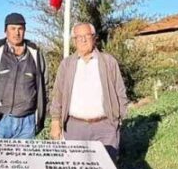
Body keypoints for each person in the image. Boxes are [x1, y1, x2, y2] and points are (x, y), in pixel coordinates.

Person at [50, 22, 128, 158]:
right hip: (74, 128)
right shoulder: (66, 65)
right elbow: (58, 95)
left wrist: (119, 119)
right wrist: (55, 122)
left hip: (105, 127)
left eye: (87, 35)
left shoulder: (108, 62)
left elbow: (120, 92)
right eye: (79, 37)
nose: (83, 40)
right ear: (74, 41)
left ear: (94, 37)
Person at [0, 12, 47, 139]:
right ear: (5, 31)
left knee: (23, 159)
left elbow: (45, 87)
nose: (17, 33)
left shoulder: (35, 53)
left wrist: (41, 117)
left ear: (25, 30)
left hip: (26, 123)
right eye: (12, 28)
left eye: (20, 29)